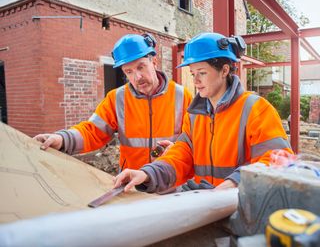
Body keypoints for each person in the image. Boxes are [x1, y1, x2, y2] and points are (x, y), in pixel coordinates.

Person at [113, 32, 293, 193]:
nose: (196, 80)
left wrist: (235, 182)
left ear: (224, 70)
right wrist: (147, 173)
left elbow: (279, 159)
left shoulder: (256, 109)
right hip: (206, 209)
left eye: (202, 73)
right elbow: (181, 156)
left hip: (242, 205)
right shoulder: (194, 116)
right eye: (192, 74)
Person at [34, 33, 192, 171]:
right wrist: (62, 139)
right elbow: (93, 131)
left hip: (171, 184)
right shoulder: (117, 98)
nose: (137, 77)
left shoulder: (182, 96)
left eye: (141, 67)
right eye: (128, 71)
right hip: (132, 185)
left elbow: (194, 141)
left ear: (154, 62)